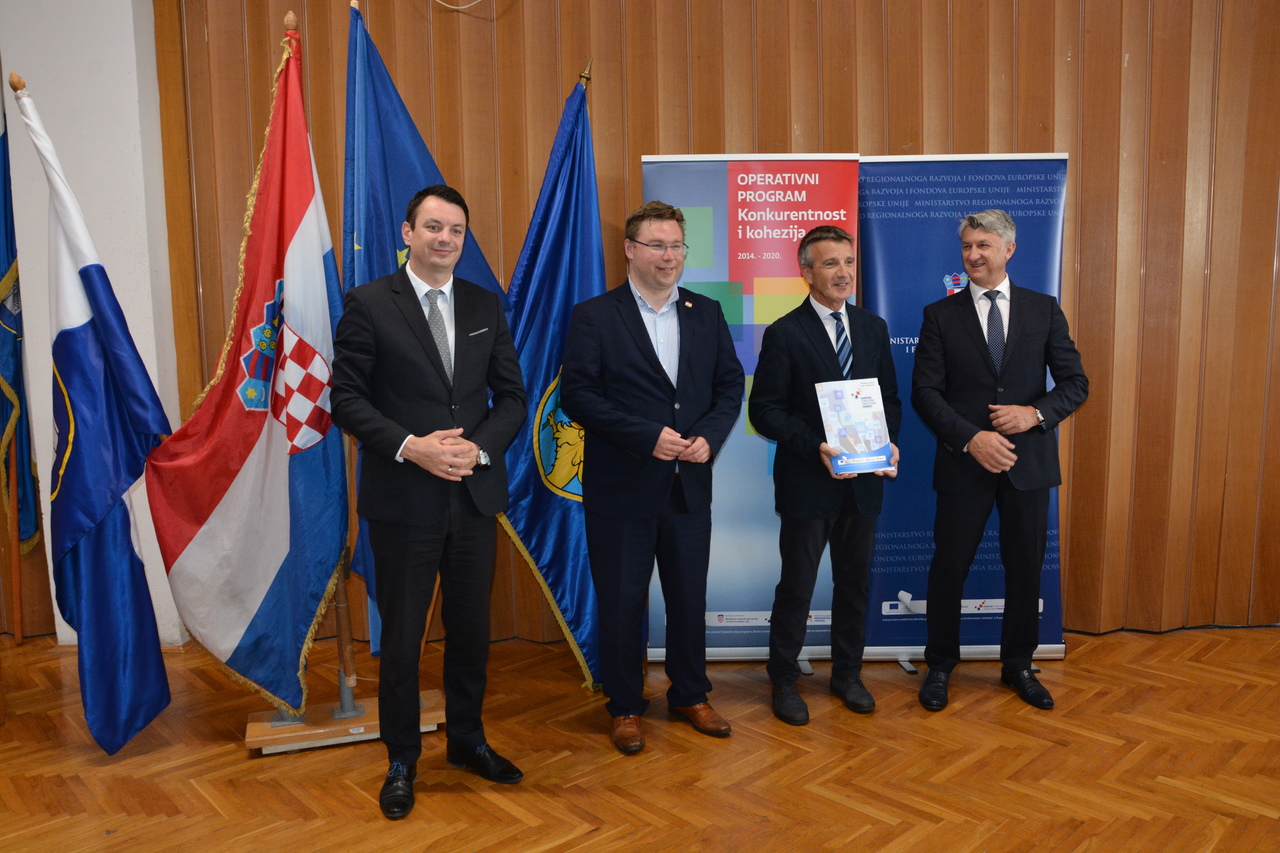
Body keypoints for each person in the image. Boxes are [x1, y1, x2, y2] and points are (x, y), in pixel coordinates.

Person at [331, 185, 527, 819]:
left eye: (456, 231)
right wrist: (411, 447)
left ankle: (468, 742)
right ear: (408, 233)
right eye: (434, 227)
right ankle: (401, 759)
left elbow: (512, 398)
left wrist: (479, 450)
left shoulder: (484, 304)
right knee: (403, 639)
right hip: (403, 500)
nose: (446, 239)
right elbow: (346, 399)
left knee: (471, 632)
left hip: (472, 498)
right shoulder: (368, 304)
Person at [560, 200, 745, 754]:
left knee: (689, 598)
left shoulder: (705, 311)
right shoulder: (595, 315)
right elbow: (578, 396)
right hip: (622, 489)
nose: (669, 256)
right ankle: (624, 705)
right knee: (621, 602)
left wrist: (709, 436)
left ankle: (690, 694)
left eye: (676, 246)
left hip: (688, 487)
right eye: (657, 245)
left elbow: (729, 385)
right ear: (630, 250)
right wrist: (645, 437)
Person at [911, 209, 1088, 712]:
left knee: (1025, 569)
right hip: (964, 463)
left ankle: (1019, 666)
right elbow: (925, 392)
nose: (973, 255)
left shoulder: (1043, 309)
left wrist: (1035, 414)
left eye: (983, 245)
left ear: (1009, 249)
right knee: (949, 568)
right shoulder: (940, 315)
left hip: (1028, 465)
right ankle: (940, 665)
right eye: (967, 246)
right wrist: (972, 439)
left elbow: (1075, 383)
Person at [748, 225, 901, 726]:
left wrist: (887, 442)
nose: (843, 273)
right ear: (807, 272)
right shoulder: (785, 333)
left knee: (855, 585)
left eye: (849, 262)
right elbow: (764, 411)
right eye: (831, 263)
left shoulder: (873, 327)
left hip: (864, 482)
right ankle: (784, 679)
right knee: (798, 586)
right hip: (808, 484)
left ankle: (847, 675)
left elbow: (889, 400)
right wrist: (816, 446)